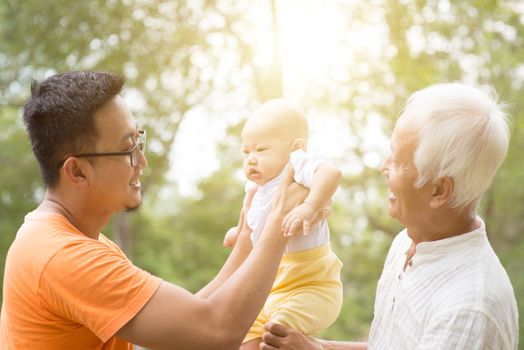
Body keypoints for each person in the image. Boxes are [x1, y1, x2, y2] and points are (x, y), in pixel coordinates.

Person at [0, 71, 313, 350]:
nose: (142, 161)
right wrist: (278, 223)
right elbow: (216, 331)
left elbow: (188, 321)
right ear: (78, 172)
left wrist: (247, 239)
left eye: (139, 142)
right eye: (127, 150)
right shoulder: (64, 257)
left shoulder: (76, 241)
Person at [260, 83, 519, 350]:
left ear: (439, 190)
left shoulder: (467, 310)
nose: (383, 167)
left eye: (396, 161)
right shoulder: (407, 242)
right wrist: (316, 346)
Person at [224, 99, 344, 350]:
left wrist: (309, 206)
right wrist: (240, 232)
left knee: (276, 333)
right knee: (242, 332)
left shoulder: (297, 165)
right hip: (272, 288)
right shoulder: (256, 187)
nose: (251, 160)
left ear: (296, 147)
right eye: (246, 152)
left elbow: (331, 173)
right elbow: (254, 221)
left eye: (262, 150)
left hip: (311, 286)